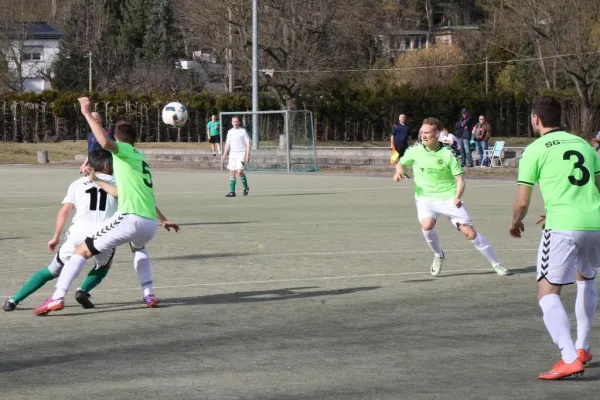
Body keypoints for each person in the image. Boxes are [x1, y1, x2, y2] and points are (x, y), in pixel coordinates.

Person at [32, 97, 181, 315]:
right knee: (138, 248)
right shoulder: (140, 159)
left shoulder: (123, 151)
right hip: (149, 223)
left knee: (81, 251)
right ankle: (148, 293)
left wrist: (86, 113)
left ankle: (56, 298)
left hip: (131, 218)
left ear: (119, 139)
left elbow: (103, 142)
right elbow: (127, 193)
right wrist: (163, 219)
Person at [509, 95, 600, 380]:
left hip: (563, 226)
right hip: (594, 223)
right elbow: (596, 187)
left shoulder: (534, 150)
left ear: (536, 119)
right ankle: (582, 348)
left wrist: (515, 222)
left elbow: (522, 202)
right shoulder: (585, 145)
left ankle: (569, 357)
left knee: (547, 294)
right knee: (586, 279)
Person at [3, 150, 118, 312]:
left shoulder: (78, 183)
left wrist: (56, 237)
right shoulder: (118, 183)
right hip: (104, 233)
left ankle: (14, 300)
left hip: (78, 232)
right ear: (107, 166)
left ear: (89, 166)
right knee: (104, 265)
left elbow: (65, 211)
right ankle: (82, 291)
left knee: (52, 270)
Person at [394, 117, 509, 277]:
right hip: (425, 198)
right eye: (421, 133)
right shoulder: (415, 150)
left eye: (427, 133)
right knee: (426, 226)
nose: (423, 136)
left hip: (449, 198)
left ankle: (496, 263)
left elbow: (460, 180)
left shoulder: (449, 153)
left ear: (437, 133)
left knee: (470, 233)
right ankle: (438, 255)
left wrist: (457, 197)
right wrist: (399, 171)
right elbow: (401, 162)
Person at [222, 116, 251, 197]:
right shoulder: (230, 132)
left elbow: (248, 143)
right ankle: (232, 192)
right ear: (231, 122)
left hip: (241, 153)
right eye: (233, 121)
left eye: (236, 121)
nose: (235, 123)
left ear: (239, 122)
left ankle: (246, 187)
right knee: (232, 172)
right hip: (232, 154)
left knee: (239, 171)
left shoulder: (243, 131)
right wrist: (224, 154)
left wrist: (248, 155)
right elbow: (227, 144)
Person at [390, 113, 412, 179]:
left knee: (403, 159)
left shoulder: (407, 127)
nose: (403, 118)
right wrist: (392, 144)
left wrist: (411, 144)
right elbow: (392, 136)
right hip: (397, 144)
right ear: (399, 118)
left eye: (404, 117)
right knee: (395, 159)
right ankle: (398, 173)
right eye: (401, 117)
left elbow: (409, 136)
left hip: (405, 145)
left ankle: (401, 173)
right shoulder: (395, 126)